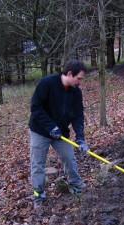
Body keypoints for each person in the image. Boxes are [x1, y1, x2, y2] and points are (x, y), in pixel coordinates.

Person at [29, 60, 89, 208]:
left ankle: (77, 186)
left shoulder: (76, 92)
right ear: (69, 74)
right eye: (79, 78)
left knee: (69, 158)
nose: (80, 82)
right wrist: (50, 127)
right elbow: (36, 108)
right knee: (38, 164)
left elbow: (78, 116)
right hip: (40, 131)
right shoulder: (47, 84)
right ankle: (39, 194)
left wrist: (80, 138)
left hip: (61, 133)